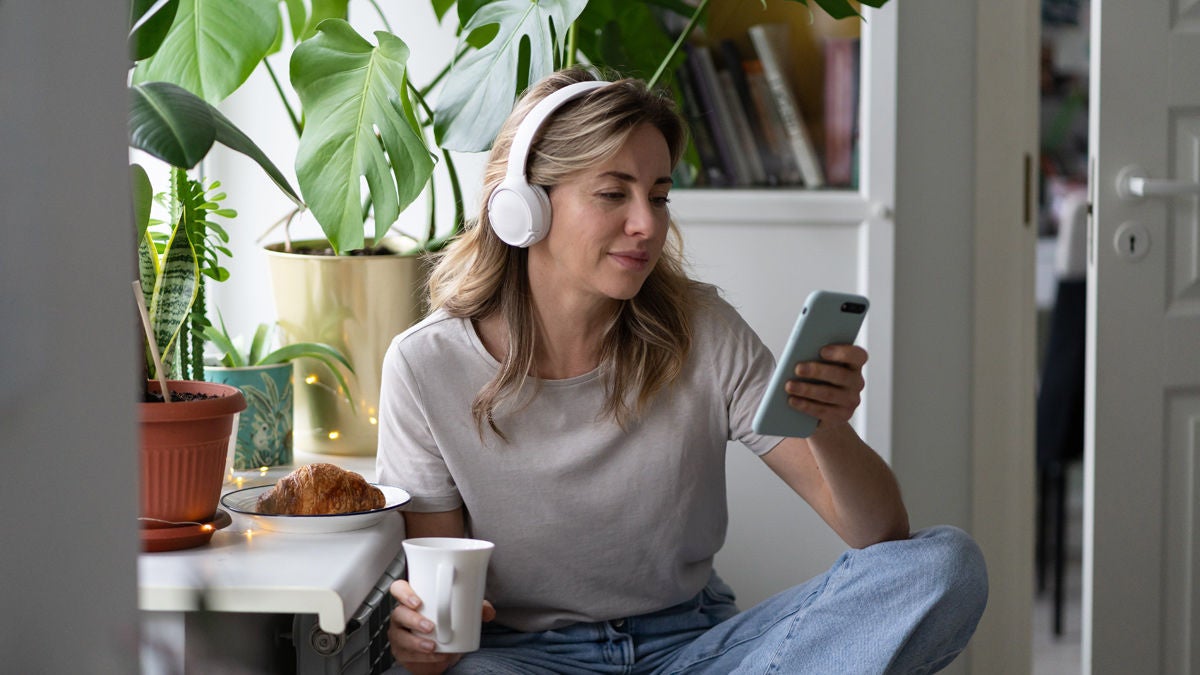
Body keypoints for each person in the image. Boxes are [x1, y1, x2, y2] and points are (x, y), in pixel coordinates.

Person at [377, 67, 987, 674]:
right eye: (614, 194)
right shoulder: (427, 365)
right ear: (522, 208)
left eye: (660, 195)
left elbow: (878, 534)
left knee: (944, 564)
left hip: (698, 648)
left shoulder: (702, 329)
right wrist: (425, 642)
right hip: (526, 659)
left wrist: (827, 426)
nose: (647, 224)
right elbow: (441, 626)